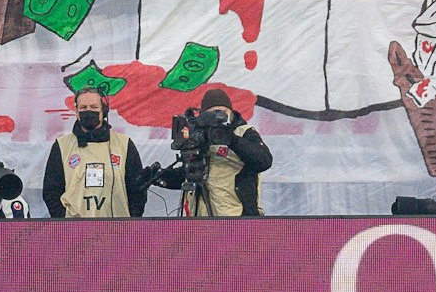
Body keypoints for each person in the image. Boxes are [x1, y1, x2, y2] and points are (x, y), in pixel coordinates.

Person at [151, 87, 273, 216]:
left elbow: (264, 161)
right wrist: (158, 176)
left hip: (236, 218)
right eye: (212, 113)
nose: (217, 118)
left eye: (222, 113)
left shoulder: (243, 132)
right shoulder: (200, 136)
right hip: (201, 219)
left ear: (231, 113)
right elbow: (190, 173)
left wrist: (231, 140)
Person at [42, 88, 152, 218]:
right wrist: (64, 219)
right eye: (83, 107)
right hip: (74, 230)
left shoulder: (124, 144)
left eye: (94, 107)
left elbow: (138, 189)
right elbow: (51, 191)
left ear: (103, 111)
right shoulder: (61, 146)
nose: (88, 111)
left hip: (117, 229)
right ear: (76, 112)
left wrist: (131, 218)